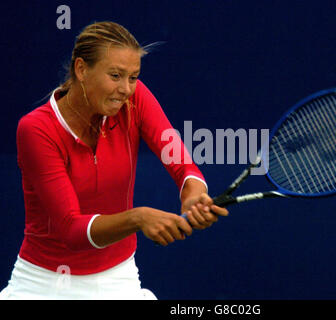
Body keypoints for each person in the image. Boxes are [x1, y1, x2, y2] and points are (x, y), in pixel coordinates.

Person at [0, 21, 228, 299]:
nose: (127, 89)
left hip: (118, 280)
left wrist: (194, 194)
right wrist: (138, 218)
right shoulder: (36, 129)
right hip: (42, 284)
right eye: (116, 75)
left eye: (133, 77)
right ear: (81, 69)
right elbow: (72, 229)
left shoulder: (134, 100)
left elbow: (180, 161)